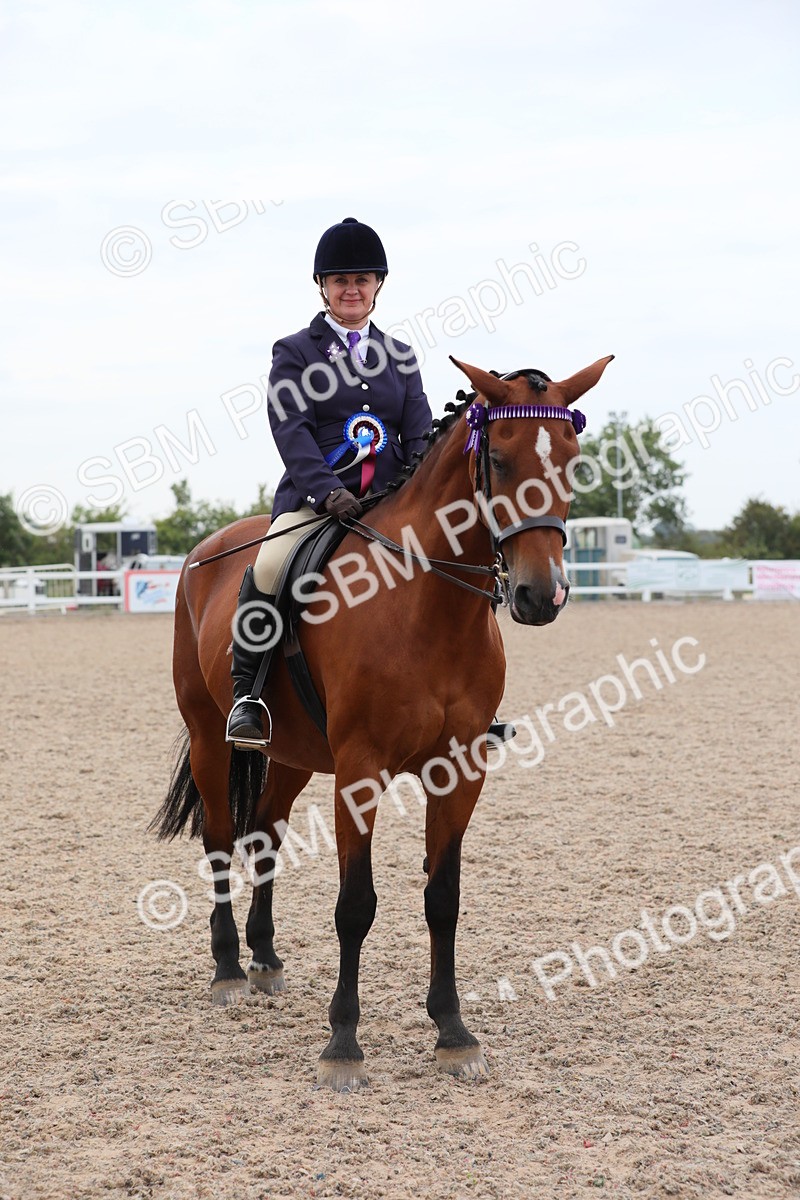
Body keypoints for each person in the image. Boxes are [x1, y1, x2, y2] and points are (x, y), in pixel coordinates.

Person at [227, 217, 432, 746]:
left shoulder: (400, 356)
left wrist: (414, 491)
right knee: (271, 563)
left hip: (391, 501)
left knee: (454, 555)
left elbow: (419, 434)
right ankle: (248, 694)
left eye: (363, 279)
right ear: (322, 286)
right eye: (341, 280)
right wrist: (326, 490)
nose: (352, 289)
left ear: (378, 284)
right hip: (316, 502)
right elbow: (290, 428)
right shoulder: (295, 351)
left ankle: (469, 698)